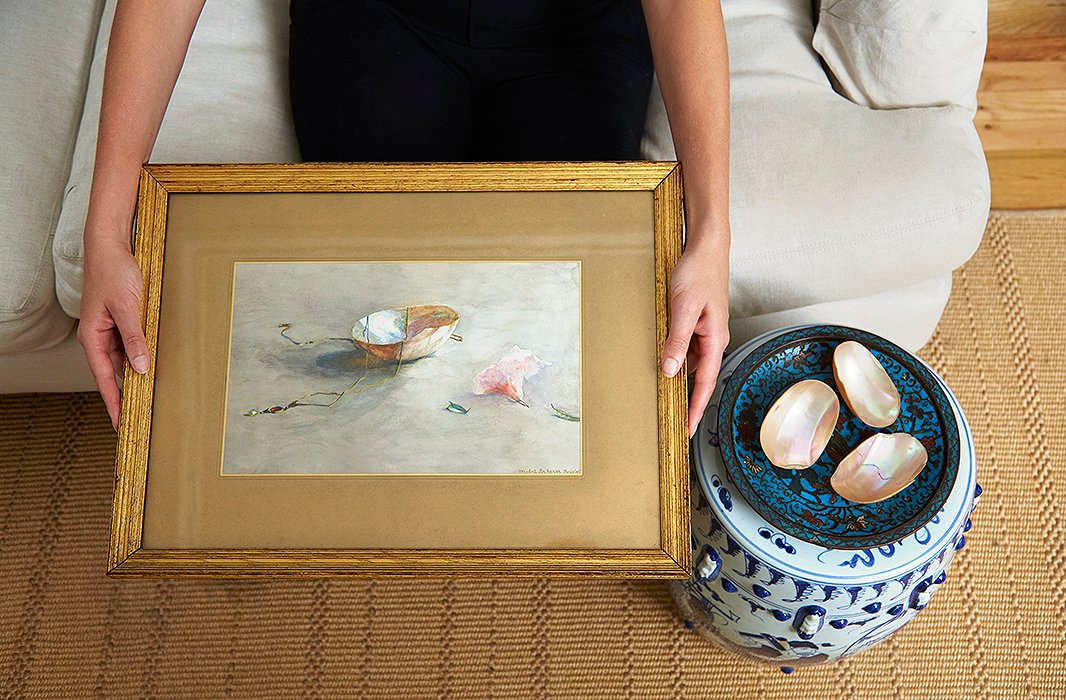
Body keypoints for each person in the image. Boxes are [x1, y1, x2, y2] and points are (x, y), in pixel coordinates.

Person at [78, 0, 731, 439]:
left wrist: (710, 238)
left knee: (551, 309)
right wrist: (105, 233)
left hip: (577, 26)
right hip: (376, 15)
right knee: (383, 291)